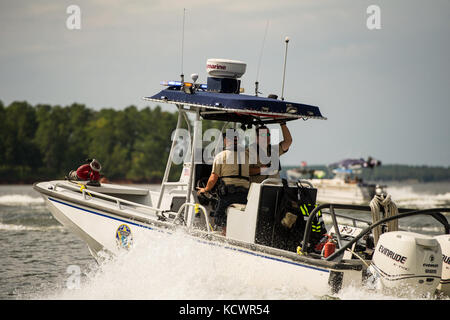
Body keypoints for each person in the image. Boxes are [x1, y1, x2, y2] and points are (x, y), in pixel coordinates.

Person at [197, 130, 250, 233]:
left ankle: (225, 235)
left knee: (218, 217)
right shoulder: (246, 156)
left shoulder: (221, 156)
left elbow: (213, 178)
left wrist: (205, 189)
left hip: (229, 196)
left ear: (226, 140)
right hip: (245, 195)